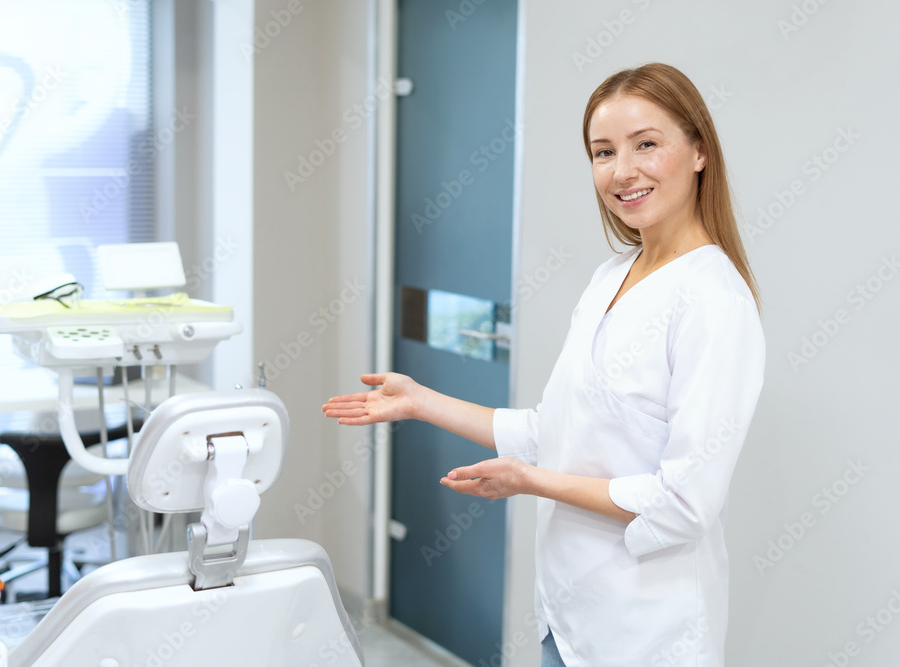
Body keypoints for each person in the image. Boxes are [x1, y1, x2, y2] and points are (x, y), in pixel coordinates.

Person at [322, 63, 764, 667]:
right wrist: (420, 400)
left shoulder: (714, 301)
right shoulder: (613, 277)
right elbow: (551, 431)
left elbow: (686, 502)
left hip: (647, 635)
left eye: (647, 145)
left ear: (698, 152)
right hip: (568, 618)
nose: (622, 170)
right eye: (603, 151)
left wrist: (533, 482)